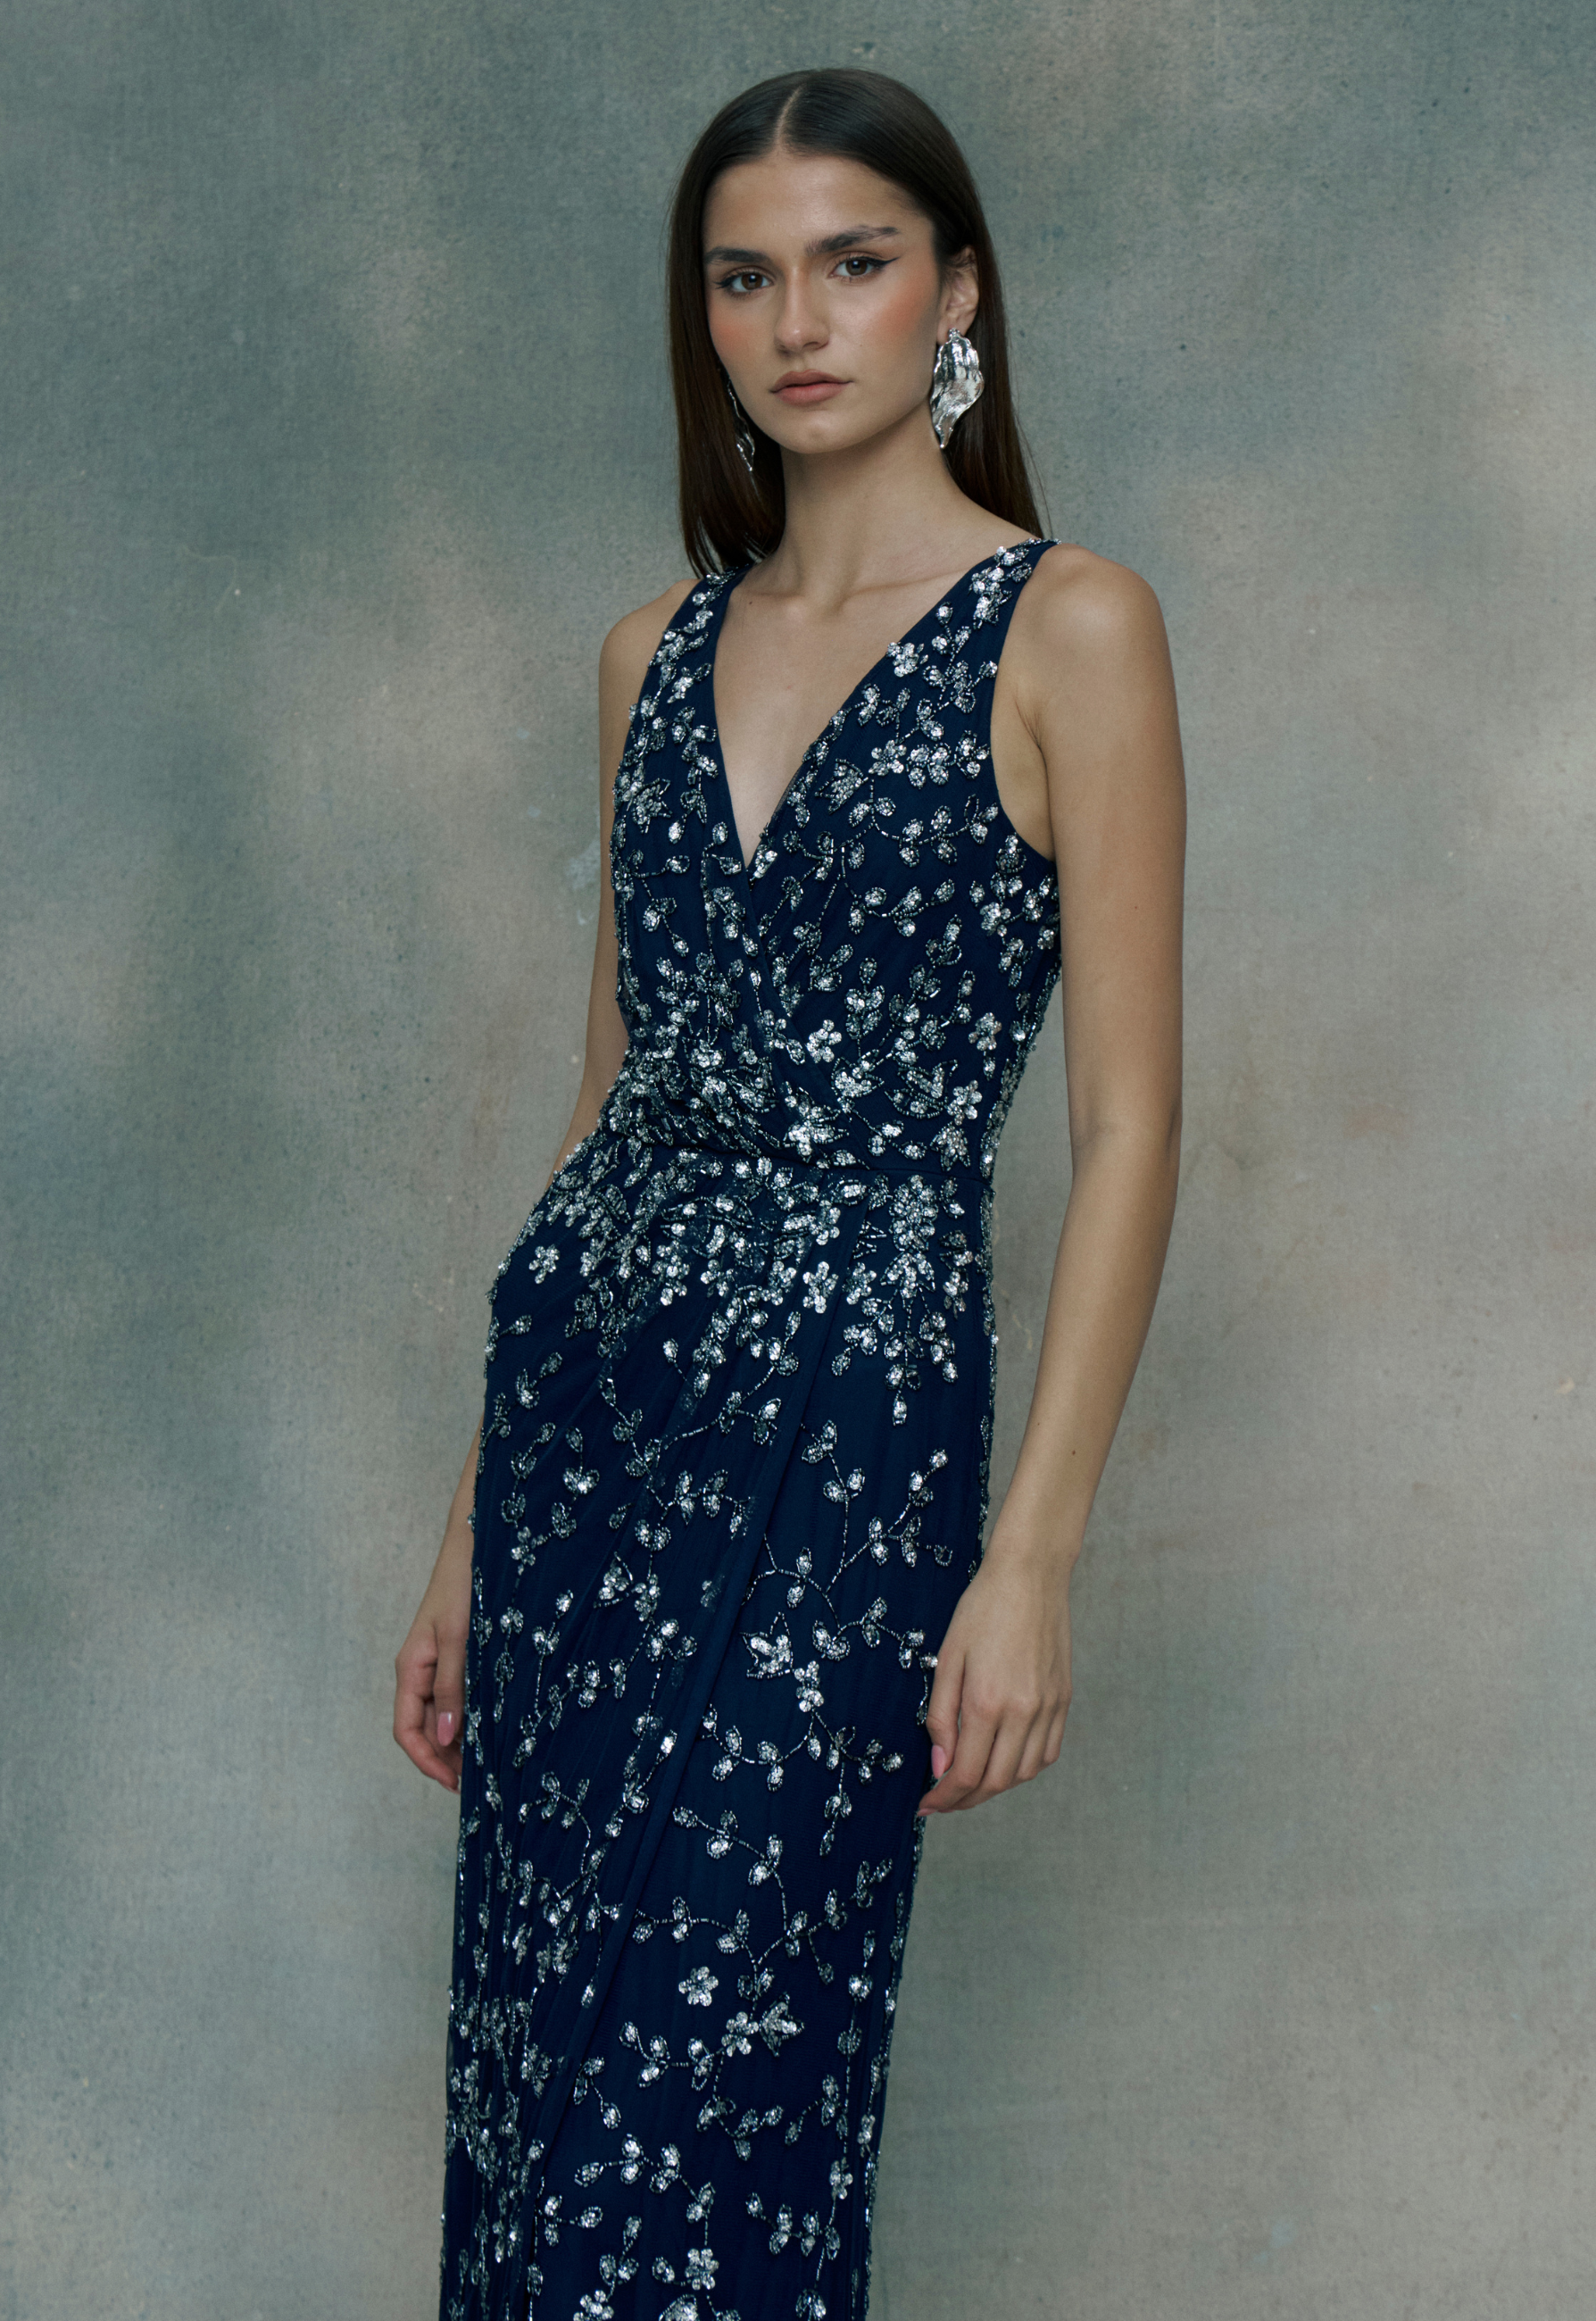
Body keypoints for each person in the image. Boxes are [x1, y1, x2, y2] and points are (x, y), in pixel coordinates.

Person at [394, 65, 1185, 2321]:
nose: (797, 322)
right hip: (585, 1435)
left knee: (715, 2104)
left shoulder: (1071, 629)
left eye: (854, 263)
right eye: (744, 277)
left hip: (848, 1429)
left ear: (958, 292)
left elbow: (1133, 1126)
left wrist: (1029, 1561)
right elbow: (606, 1106)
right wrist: (466, 1531)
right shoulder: (648, 652)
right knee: (546, 2110)